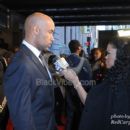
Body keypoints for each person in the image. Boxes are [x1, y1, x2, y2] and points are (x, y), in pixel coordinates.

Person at [4, 12, 57, 130]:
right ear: (36, 30)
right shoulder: (20, 63)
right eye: (50, 32)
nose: (52, 38)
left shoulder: (39, 57)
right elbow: (22, 116)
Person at [62, 38, 130, 130]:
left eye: (108, 53)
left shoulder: (114, 82)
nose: (105, 57)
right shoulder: (118, 78)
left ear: (120, 55)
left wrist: (75, 81)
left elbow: (91, 103)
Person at [65, 40, 92, 130]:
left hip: (69, 89)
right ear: (79, 48)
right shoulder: (84, 61)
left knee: (70, 113)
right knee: (81, 114)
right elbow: (89, 78)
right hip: (81, 91)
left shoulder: (64, 60)